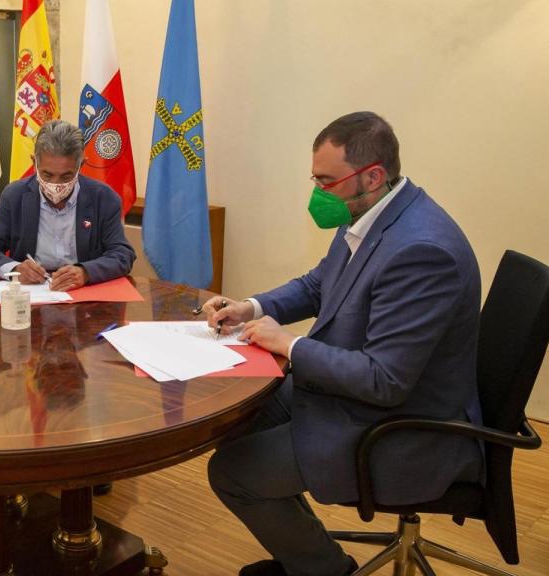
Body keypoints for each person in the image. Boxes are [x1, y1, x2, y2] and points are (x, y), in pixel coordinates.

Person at [205, 112, 483, 576]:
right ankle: (309, 554)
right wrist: (250, 306)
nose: (317, 194)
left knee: (233, 474)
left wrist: (288, 345)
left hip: (402, 424)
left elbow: (385, 381)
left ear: (373, 175)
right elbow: (319, 284)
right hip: (351, 393)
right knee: (239, 424)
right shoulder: (376, 210)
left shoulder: (421, 251)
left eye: (326, 181)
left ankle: (326, 570)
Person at [0, 119, 136, 292]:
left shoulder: (103, 198)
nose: (56, 184)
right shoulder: (15, 196)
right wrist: (15, 269)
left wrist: (85, 272)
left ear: (81, 166)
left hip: (83, 297)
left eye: (66, 176)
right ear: (34, 163)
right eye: (47, 175)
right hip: (30, 299)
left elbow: (122, 255)